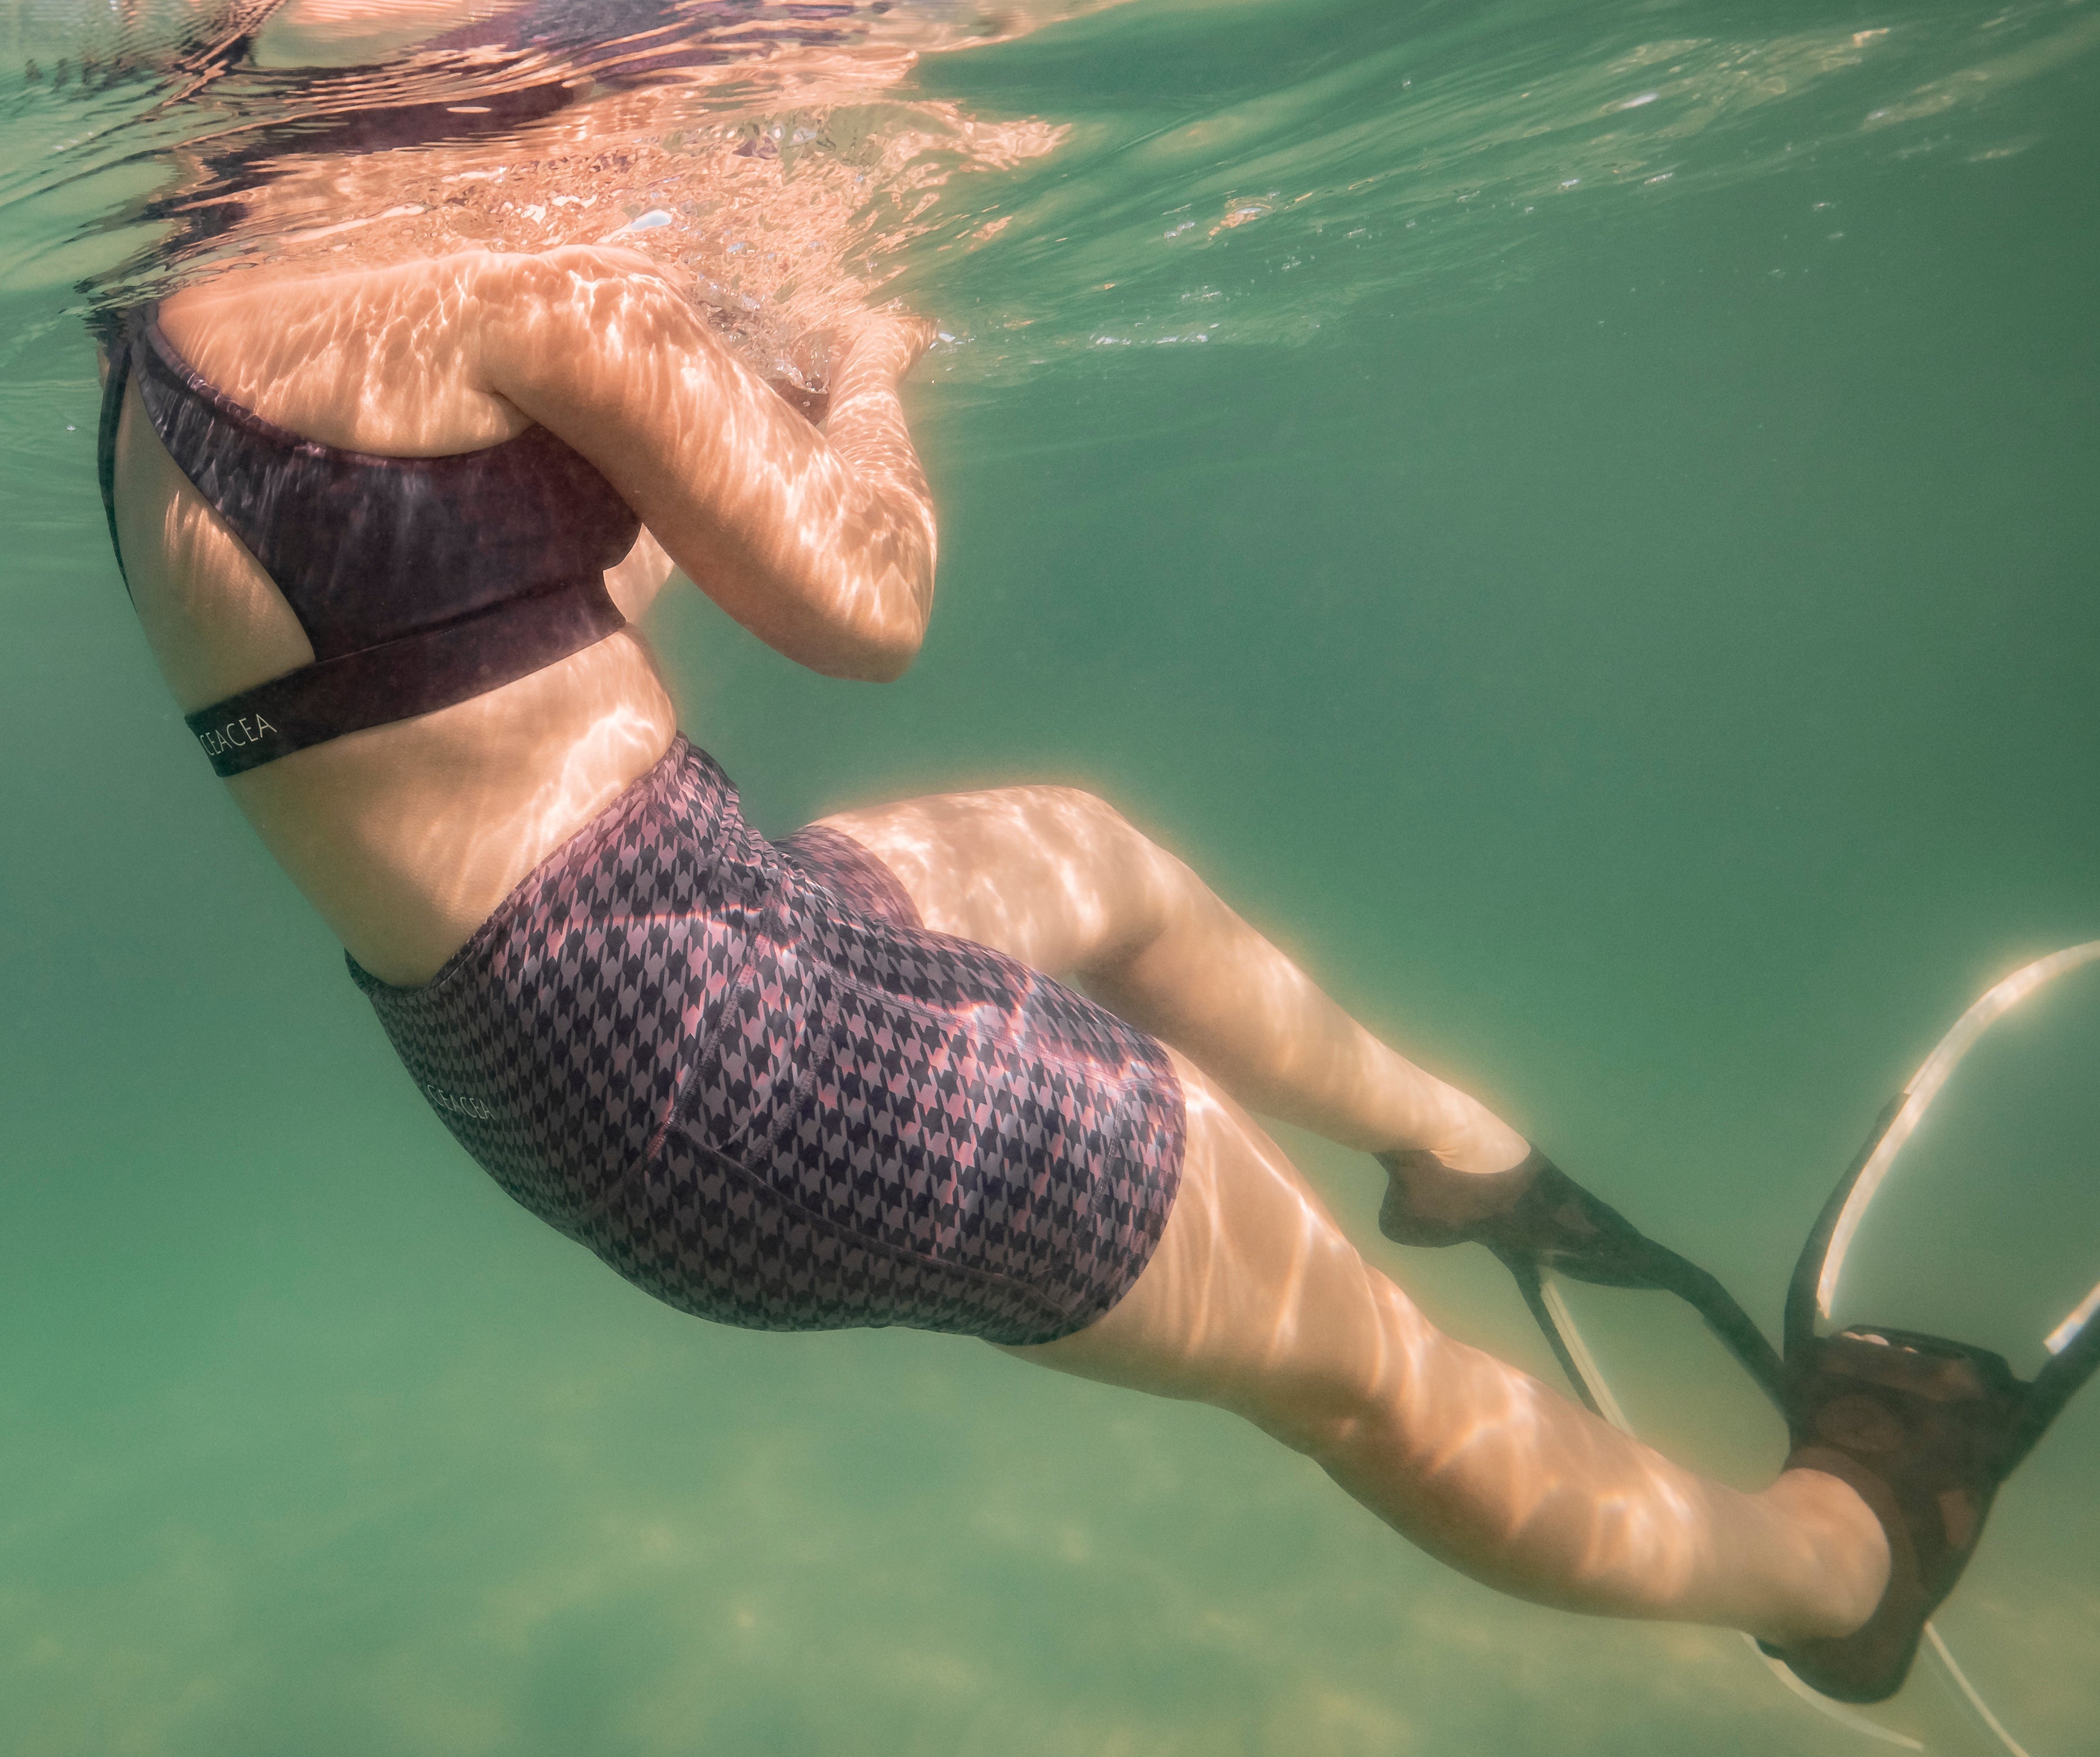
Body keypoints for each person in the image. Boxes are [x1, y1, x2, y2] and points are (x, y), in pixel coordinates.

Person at [96, 234, 2038, 1711]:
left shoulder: (171, 352)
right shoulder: (502, 289)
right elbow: (873, 603)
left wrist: (712, 407)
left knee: (1083, 857)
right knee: (1366, 1382)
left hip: (588, 1034)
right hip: (745, 1057)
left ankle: (1456, 1150)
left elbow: (482, 623)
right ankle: (1844, 1569)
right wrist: (865, 369)